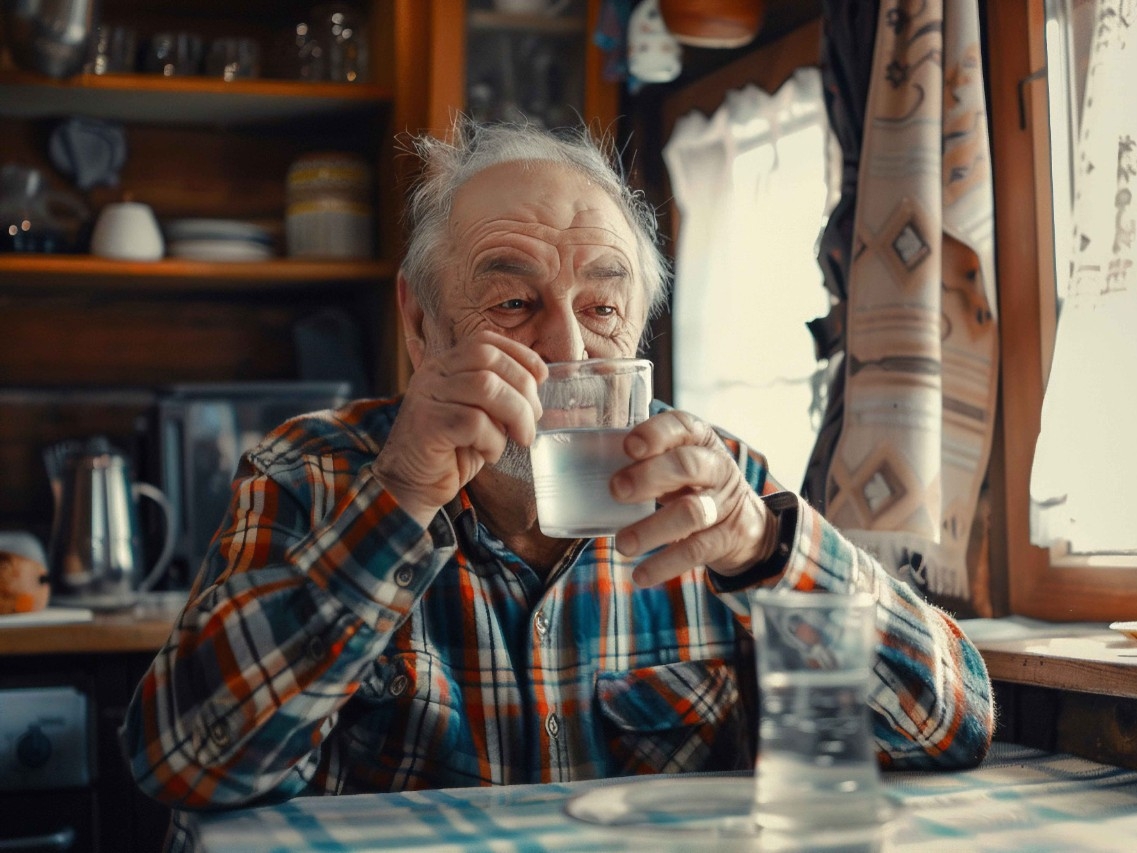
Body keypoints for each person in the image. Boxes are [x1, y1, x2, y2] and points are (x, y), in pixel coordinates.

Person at [121, 118, 994, 850]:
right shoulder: (312, 472)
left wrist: (764, 547)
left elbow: (950, 723)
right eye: (512, 304)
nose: (568, 352)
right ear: (421, 323)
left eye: (602, 308)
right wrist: (402, 497)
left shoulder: (710, 493)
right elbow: (185, 763)